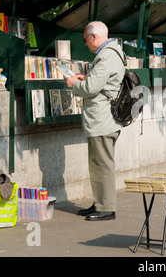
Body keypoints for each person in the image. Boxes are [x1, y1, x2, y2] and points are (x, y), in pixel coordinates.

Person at [65, 21, 125, 221]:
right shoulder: (112, 52)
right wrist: (87, 79)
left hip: (102, 119)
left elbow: (91, 89)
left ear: (93, 36)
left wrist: (75, 84)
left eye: (85, 39)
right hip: (105, 118)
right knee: (98, 162)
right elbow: (99, 83)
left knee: (102, 163)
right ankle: (100, 202)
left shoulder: (106, 55)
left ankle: (106, 207)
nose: (85, 44)